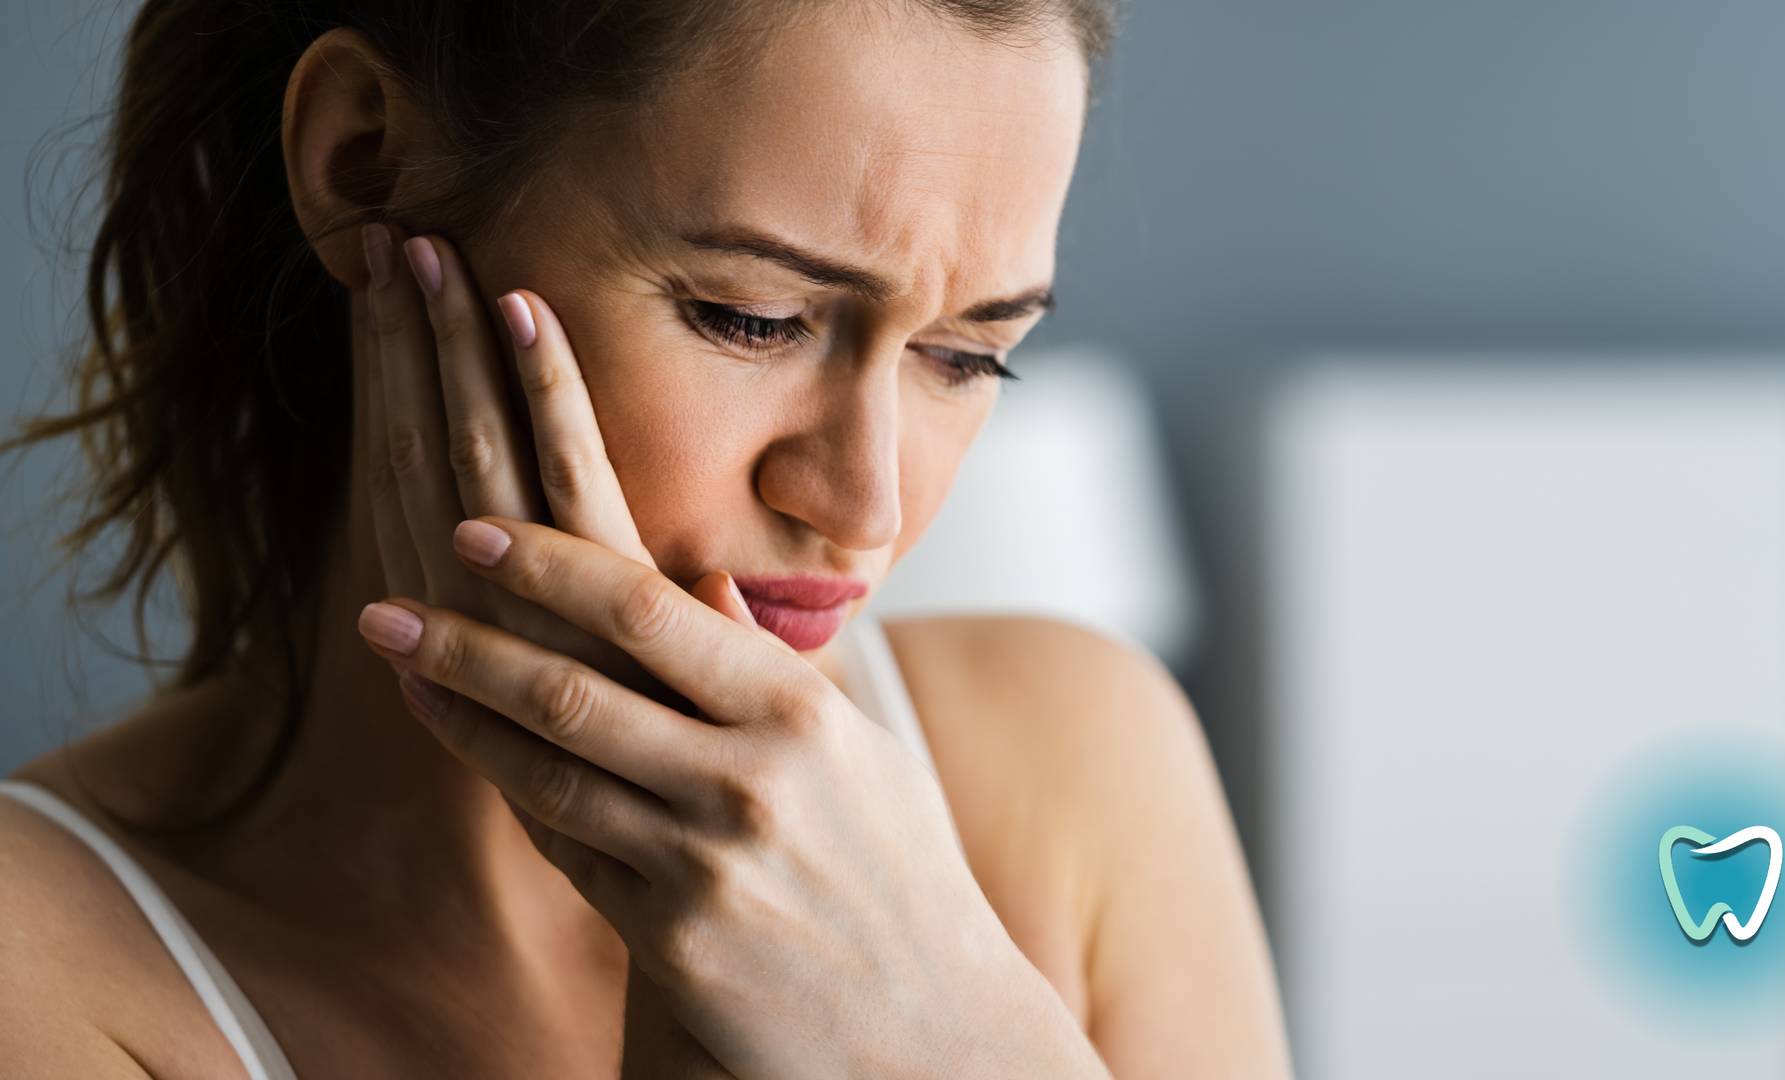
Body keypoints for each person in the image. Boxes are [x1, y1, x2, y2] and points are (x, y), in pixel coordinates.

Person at [0, 0, 1290, 1075]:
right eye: (751, 318)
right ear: (365, 164)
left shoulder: (1081, 771)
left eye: (966, 358)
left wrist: (964, 1032)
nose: (864, 505)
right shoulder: (39, 963)